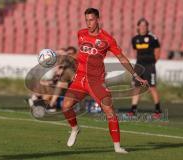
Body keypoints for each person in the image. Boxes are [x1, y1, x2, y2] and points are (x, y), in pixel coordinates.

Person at [62, 8, 147, 154]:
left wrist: (134, 74)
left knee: (109, 111)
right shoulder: (81, 34)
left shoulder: (107, 39)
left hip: (96, 81)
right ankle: (75, 129)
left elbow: (121, 57)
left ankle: (117, 147)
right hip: (80, 78)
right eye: (86, 20)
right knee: (65, 106)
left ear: (98, 19)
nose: (88, 23)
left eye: (91, 20)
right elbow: (82, 54)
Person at [130, 18, 161, 118]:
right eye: (141, 25)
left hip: (149, 66)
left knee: (152, 87)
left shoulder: (153, 38)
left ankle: (157, 110)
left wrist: (153, 62)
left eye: (145, 26)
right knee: (136, 87)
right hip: (139, 66)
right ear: (138, 27)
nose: (143, 27)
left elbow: (157, 51)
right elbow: (135, 52)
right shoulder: (135, 39)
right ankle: (133, 109)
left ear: (147, 27)